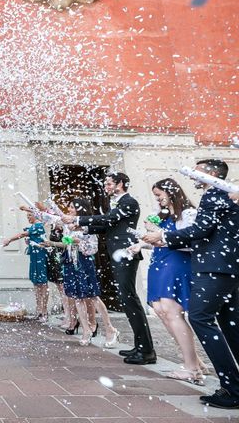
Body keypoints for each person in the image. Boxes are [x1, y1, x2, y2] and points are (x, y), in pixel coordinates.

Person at [144, 160, 239, 409]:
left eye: (198, 170)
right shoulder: (227, 195)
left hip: (213, 267)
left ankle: (232, 386)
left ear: (212, 174)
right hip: (228, 267)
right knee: (231, 325)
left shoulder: (214, 194)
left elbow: (201, 229)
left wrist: (164, 236)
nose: (193, 174)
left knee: (200, 317)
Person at [61, 172, 155, 365]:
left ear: (121, 183)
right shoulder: (118, 204)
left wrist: (78, 220)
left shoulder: (129, 202)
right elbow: (107, 226)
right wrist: (84, 229)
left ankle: (146, 350)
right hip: (118, 253)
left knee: (129, 299)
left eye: (110, 183)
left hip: (126, 252)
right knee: (126, 299)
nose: (106, 186)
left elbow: (109, 220)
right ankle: (140, 346)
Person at [127, 178, 206, 385]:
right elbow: (163, 242)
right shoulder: (166, 216)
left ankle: (192, 368)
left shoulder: (187, 213)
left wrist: (159, 234)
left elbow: (189, 242)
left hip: (176, 265)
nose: (158, 199)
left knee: (172, 312)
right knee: (161, 311)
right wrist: (142, 245)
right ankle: (193, 360)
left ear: (171, 192)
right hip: (159, 264)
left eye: (159, 195)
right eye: (155, 196)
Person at [46, 198, 119, 347]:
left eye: (72, 207)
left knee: (92, 297)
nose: (70, 209)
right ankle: (86, 330)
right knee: (77, 297)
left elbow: (93, 249)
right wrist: (46, 205)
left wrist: (78, 243)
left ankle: (110, 328)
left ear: (80, 209)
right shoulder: (69, 225)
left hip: (85, 263)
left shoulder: (87, 225)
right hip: (71, 262)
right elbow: (54, 216)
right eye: (69, 207)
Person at [3, 212, 48, 322]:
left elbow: (23, 234)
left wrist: (9, 239)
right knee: (36, 283)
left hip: (40, 257)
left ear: (36, 216)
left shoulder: (38, 225)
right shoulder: (34, 226)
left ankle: (44, 311)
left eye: (29, 215)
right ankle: (39, 310)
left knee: (42, 284)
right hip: (34, 256)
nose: (28, 218)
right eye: (27, 216)